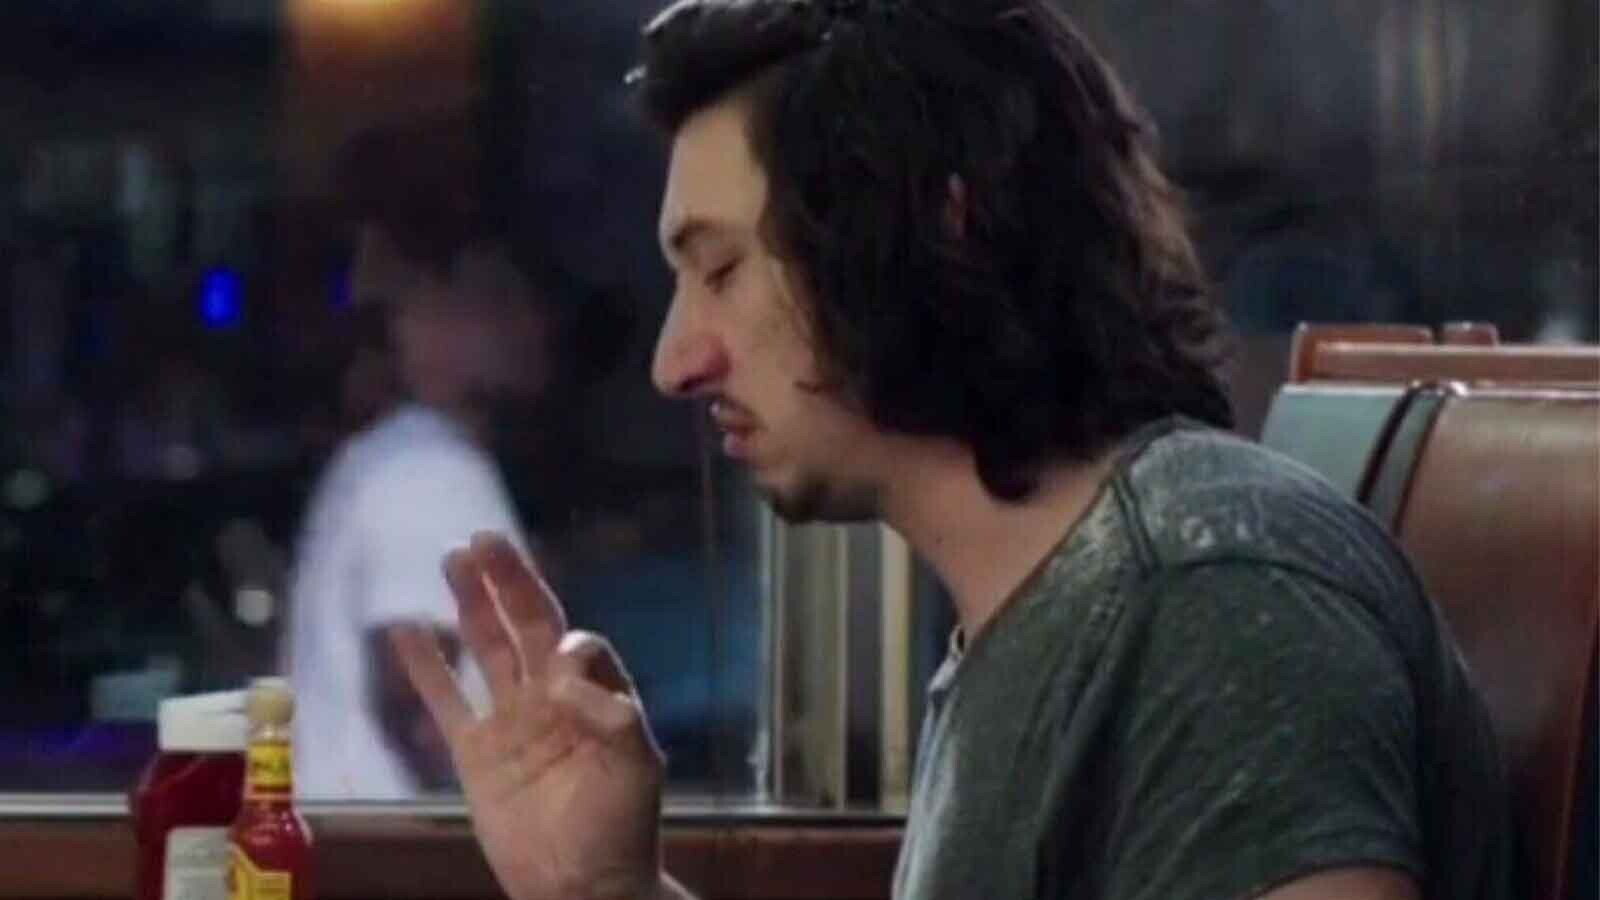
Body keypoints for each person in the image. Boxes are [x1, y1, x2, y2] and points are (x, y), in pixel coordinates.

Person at [392, 0, 1519, 897]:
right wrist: (610, 889)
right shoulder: (1047, 613)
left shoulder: (1208, 598)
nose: (673, 362)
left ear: (934, 229)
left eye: (723, 269)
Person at [284, 110, 550, 799]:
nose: (529, 322)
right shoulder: (430, 471)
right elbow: (428, 709)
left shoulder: (399, 460)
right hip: (400, 851)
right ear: (426, 316)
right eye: (498, 295)